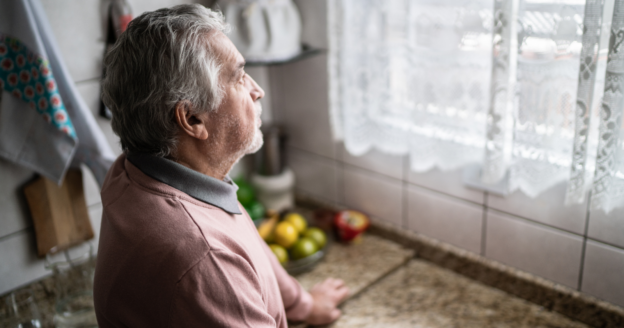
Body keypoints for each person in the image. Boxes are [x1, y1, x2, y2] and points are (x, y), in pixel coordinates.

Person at [93, 4, 349, 327]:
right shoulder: (205, 256)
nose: (258, 90)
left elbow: (241, 234)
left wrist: (304, 306)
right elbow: (215, 251)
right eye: (239, 77)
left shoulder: (137, 171)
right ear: (192, 118)